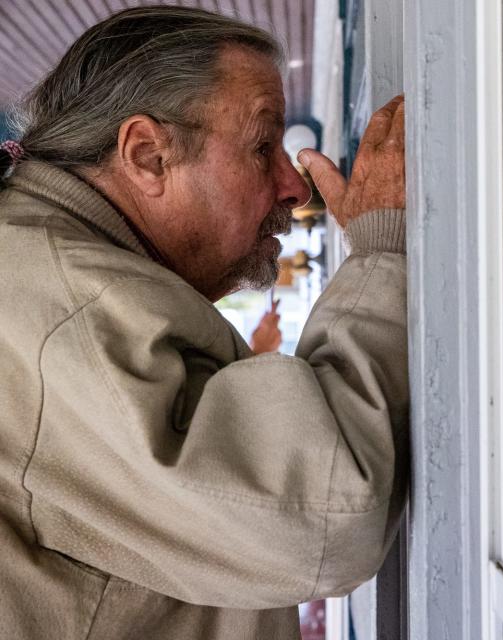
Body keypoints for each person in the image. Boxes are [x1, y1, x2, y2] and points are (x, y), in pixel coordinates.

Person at [0, 7, 407, 639]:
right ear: (148, 156)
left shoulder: (52, 271)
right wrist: (384, 252)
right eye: (263, 147)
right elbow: (325, 517)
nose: (292, 187)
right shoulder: (61, 303)